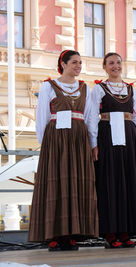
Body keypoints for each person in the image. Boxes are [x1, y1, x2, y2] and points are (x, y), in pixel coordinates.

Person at [28, 50, 98, 251]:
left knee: (76, 183)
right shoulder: (48, 86)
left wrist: (93, 144)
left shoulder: (85, 88)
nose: (78, 66)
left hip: (78, 139)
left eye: (80, 63)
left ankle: (72, 234)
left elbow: (91, 119)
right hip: (56, 139)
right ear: (63, 63)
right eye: (74, 62)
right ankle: (54, 235)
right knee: (57, 184)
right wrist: (46, 145)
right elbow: (42, 117)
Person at [88, 52, 136, 248]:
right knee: (110, 182)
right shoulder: (98, 89)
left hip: (129, 137)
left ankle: (126, 230)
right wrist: (94, 144)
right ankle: (110, 233)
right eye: (111, 63)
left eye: (118, 62)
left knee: (129, 182)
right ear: (104, 67)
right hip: (107, 137)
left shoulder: (131, 89)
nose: (115, 66)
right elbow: (91, 117)